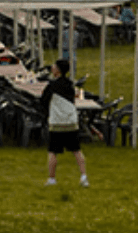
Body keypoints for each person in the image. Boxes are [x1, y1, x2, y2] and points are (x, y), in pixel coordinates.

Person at [42, 59, 88, 187]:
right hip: (71, 121)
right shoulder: (70, 85)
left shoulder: (52, 85)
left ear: (57, 70)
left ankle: (52, 178)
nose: (52, 67)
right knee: (77, 150)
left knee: (52, 152)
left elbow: (44, 101)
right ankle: (83, 176)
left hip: (57, 122)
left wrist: (46, 114)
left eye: (54, 66)